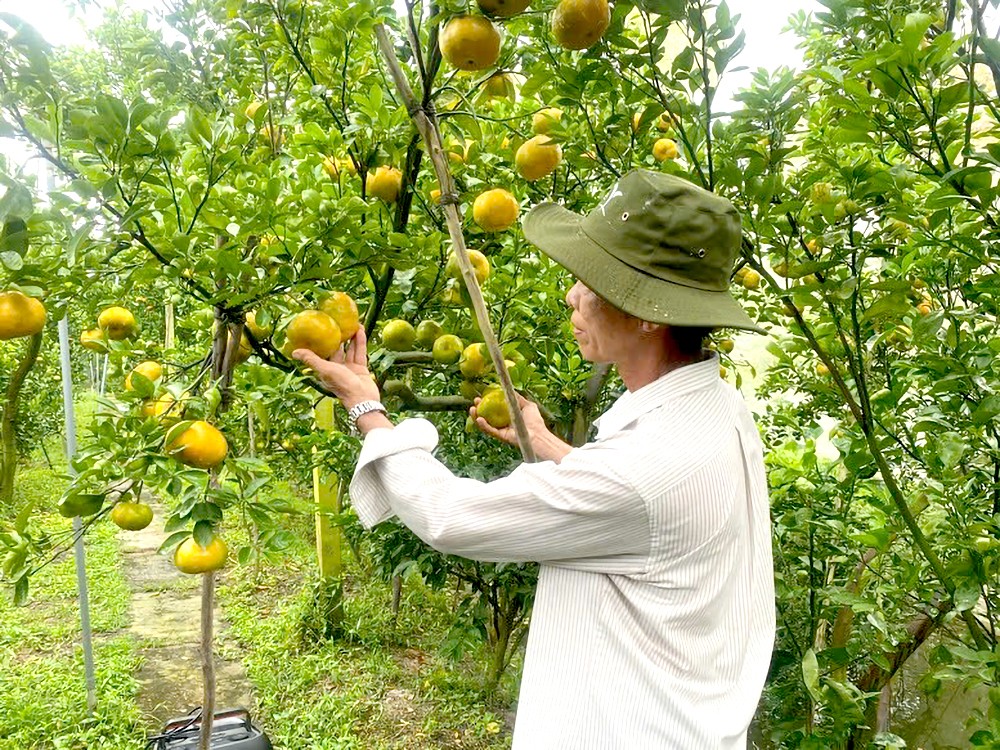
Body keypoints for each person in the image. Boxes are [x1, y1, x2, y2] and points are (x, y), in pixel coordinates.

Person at [292, 169, 775, 749]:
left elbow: (448, 516)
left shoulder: (641, 471)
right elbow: (641, 506)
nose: (572, 295)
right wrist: (545, 443)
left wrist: (365, 405)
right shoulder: (717, 408)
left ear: (648, 313)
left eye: (590, 281)